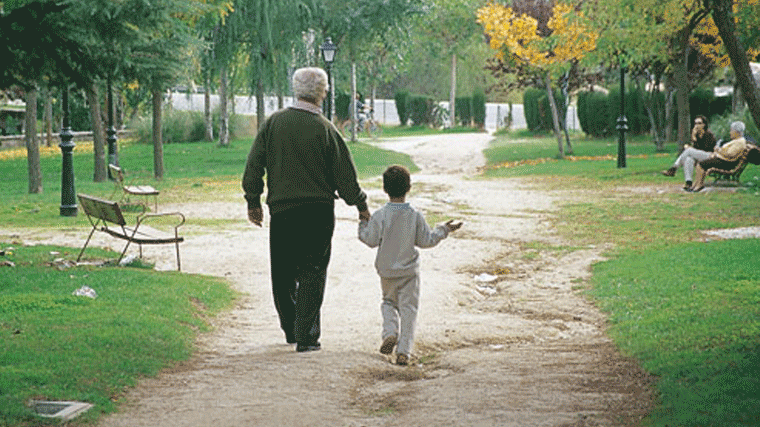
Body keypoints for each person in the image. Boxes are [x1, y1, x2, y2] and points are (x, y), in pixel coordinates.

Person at [242, 67, 370, 353]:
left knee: (283, 272)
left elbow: (254, 164)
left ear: (296, 90)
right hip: (317, 212)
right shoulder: (326, 129)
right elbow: (346, 178)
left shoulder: (274, 123)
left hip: (283, 211)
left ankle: (291, 328)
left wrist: (253, 201)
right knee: (313, 270)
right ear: (322, 93)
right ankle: (306, 336)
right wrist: (361, 204)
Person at [358, 165, 462, 366]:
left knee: (388, 303)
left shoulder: (380, 215)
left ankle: (389, 333)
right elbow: (427, 241)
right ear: (409, 187)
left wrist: (363, 223)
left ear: (384, 189)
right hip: (409, 273)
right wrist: (444, 229)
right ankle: (403, 351)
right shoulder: (414, 215)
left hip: (387, 271)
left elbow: (369, 239)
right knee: (409, 310)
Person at [687, 120, 749, 192]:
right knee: (700, 162)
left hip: (727, 162)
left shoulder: (739, 142)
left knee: (701, 164)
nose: (730, 133)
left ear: (737, 132)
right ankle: (696, 185)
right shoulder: (738, 141)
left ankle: (698, 185)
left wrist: (718, 150)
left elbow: (730, 154)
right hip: (724, 160)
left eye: (731, 131)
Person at [661, 115, 718, 190]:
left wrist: (693, 141)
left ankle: (674, 168)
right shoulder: (697, 134)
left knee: (688, 151)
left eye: (699, 123)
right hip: (699, 156)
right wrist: (694, 137)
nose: (697, 125)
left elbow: (706, 149)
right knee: (688, 159)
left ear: (704, 124)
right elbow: (696, 149)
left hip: (709, 156)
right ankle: (688, 182)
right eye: (695, 123)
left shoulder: (708, 134)